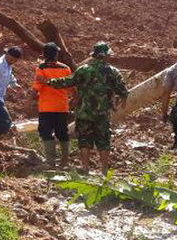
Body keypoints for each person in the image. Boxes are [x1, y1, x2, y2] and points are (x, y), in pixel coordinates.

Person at [46, 42, 128, 172]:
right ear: (106, 56)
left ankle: (85, 168)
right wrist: (121, 99)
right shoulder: (113, 72)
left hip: (84, 112)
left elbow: (67, 81)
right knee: (104, 141)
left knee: (84, 140)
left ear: (94, 56)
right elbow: (123, 90)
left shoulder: (83, 70)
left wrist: (50, 82)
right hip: (102, 114)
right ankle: (104, 171)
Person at [32, 42, 73, 167]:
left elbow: (36, 87)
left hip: (46, 107)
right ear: (56, 54)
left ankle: (51, 161)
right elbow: (70, 88)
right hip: (62, 106)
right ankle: (65, 161)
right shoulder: (65, 68)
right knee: (62, 133)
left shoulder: (41, 68)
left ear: (44, 55)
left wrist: (30, 100)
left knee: (45, 132)